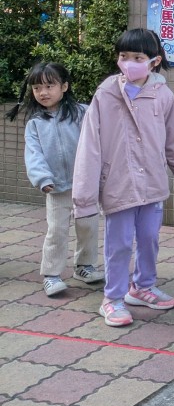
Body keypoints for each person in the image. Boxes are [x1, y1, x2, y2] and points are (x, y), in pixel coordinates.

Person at [73, 29, 174, 327]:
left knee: (150, 238)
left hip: (152, 182)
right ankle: (112, 298)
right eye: (123, 56)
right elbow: (89, 146)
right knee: (119, 244)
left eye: (138, 57)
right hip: (117, 183)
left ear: (154, 61)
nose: (129, 63)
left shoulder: (163, 95)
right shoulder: (105, 94)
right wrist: (84, 195)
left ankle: (142, 287)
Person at [9, 62, 102, 297]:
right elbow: (34, 155)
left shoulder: (83, 113)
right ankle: (51, 275)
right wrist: (42, 178)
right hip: (56, 188)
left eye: (49, 86)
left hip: (85, 185)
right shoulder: (35, 124)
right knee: (56, 231)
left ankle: (85, 266)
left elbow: (99, 142)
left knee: (88, 227)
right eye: (37, 88)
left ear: (65, 87)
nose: (43, 92)